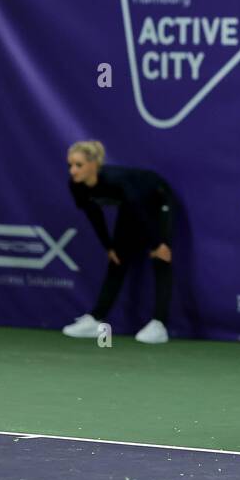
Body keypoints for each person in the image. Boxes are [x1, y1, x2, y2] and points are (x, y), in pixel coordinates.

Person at [61, 140, 177, 345]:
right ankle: (96, 320)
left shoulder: (116, 181)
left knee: (161, 256)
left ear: (94, 165)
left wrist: (158, 243)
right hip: (132, 207)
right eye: (70, 165)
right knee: (117, 259)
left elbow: (141, 210)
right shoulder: (77, 186)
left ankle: (159, 325)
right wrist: (109, 246)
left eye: (78, 165)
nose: (73, 170)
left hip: (157, 197)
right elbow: (94, 214)